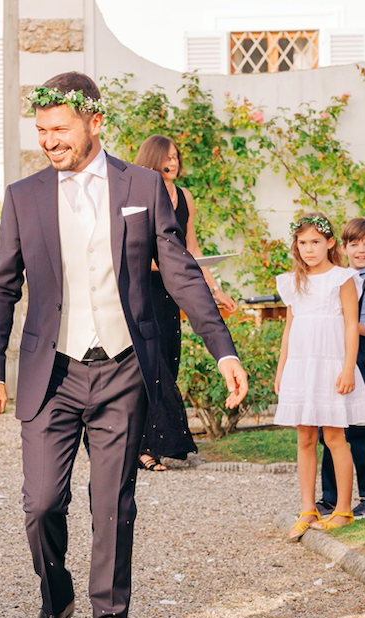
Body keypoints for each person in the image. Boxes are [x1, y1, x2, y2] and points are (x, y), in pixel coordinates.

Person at [0, 72, 248, 618]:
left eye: (59, 130)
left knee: (112, 509)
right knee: (40, 504)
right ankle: (55, 599)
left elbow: (180, 273)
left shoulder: (143, 186)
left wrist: (221, 349)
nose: (48, 141)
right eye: (40, 131)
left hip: (122, 369)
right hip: (52, 372)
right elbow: (2, 286)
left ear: (95, 123)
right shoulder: (24, 195)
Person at [132, 135, 238, 471]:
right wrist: (167, 263)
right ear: (152, 158)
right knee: (149, 367)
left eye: (177, 156)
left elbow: (191, 250)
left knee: (169, 364)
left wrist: (214, 289)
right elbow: (132, 250)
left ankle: (161, 445)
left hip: (172, 292)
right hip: (142, 290)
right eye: (168, 157)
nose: (174, 162)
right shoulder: (139, 192)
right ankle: (143, 448)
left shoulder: (185, 197)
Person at [274, 214, 365, 540]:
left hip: (332, 366)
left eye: (315, 242)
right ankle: (308, 508)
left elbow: (350, 324)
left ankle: (343, 510)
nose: (309, 249)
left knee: (333, 437)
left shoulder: (342, 278)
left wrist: (348, 368)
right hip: (301, 368)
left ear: (330, 243)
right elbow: (290, 327)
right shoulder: (293, 281)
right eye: (303, 243)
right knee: (305, 437)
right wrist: (282, 369)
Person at [316, 218, 365, 518]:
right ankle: (331, 498)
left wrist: (347, 324)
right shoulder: (334, 278)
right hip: (332, 358)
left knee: (361, 430)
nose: (361, 250)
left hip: (361, 361)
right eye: (354, 244)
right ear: (343, 247)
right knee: (330, 429)